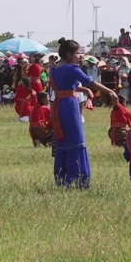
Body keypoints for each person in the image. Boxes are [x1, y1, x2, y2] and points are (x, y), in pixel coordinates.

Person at [50, 38, 118, 189]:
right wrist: (109, 91)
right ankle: (79, 179)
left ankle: (62, 179)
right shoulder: (72, 69)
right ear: (69, 54)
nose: (80, 56)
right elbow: (90, 82)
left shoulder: (54, 69)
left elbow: (64, 87)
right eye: (77, 53)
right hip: (70, 107)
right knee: (76, 142)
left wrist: (83, 90)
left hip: (58, 107)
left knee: (63, 142)